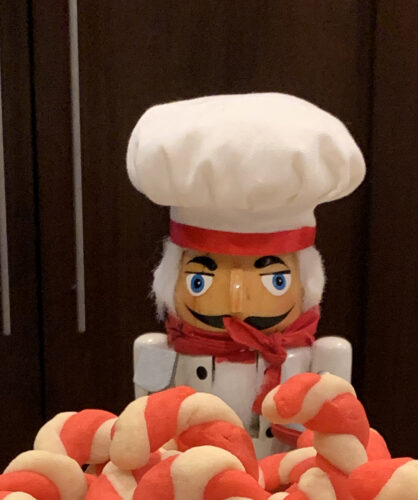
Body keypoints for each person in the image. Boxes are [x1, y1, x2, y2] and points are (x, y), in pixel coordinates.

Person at [127, 93, 365, 455]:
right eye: (200, 279)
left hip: (287, 482)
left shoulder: (316, 356)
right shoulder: (161, 350)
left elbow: (338, 432)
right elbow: (142, 428)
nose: (236, 296)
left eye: (275, 280)